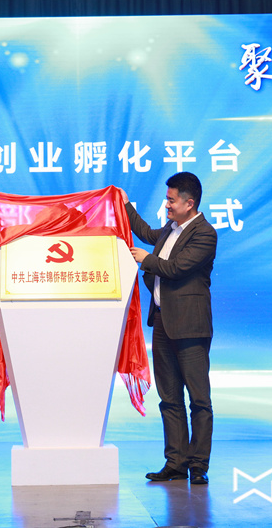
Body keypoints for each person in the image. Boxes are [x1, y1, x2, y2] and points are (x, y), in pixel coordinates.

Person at [120, 172, 217, 485]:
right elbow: (146, 232)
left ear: (189, 203)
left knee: (198, 400)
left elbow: (177, 268)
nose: (167, 205)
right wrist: (125, 205)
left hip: (190, 327)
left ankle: (198, 465)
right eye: (166, 199)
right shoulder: (171, 229)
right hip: (163, 322)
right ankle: (175, 463)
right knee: (169, 398)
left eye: (171, 200)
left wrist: (146, 260)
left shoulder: (205, 233)